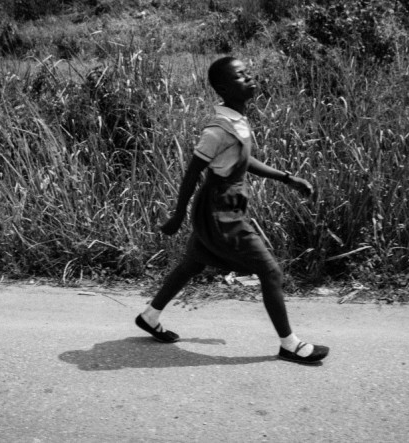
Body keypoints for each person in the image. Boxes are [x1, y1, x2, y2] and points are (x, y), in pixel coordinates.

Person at [135, 56, 329, 364]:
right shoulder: (217, 130)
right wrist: (177, 215)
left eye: (248, 72)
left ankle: (150, 315)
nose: (250, 78)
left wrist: (287, 178)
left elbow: (242, 159)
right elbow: (192, 173)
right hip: (220, 212)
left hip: (225, 206)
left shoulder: (237, 120)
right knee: (270, 271)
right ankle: (290, 344)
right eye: (241, 76)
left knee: (192, 263)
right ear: (224, 88)